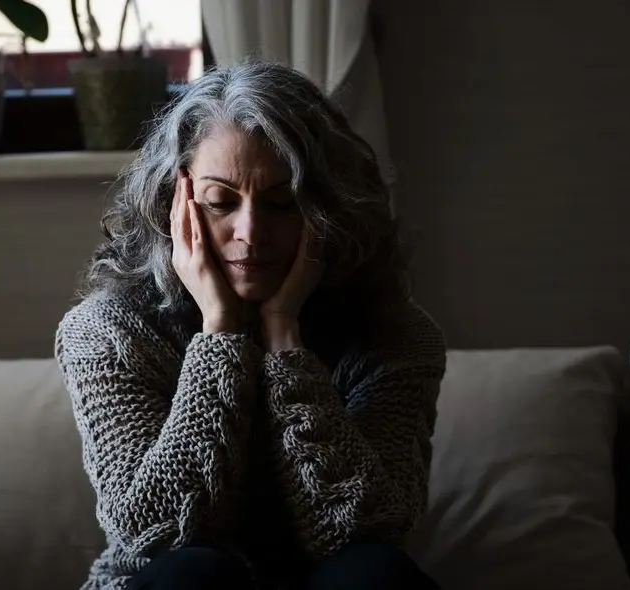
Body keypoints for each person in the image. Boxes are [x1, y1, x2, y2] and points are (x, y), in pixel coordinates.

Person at [54, 60, 446, 590]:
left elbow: (366, 526)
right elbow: (155, 534)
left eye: (283, 203)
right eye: (220, 202)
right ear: (175, 203)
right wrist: (219, 334)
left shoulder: (395, 337)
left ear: (329, 207)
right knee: (193, 573)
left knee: (372, 573)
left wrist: (285, 338)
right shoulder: (108, 333)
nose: (251, 232)